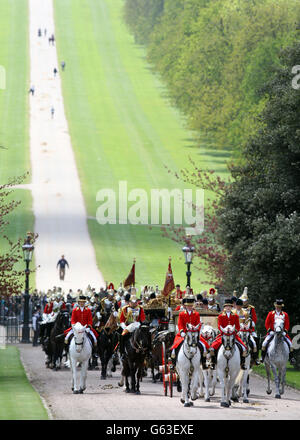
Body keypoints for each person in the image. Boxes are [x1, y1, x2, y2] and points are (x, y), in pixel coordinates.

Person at [170, 295, 209, 368]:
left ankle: (204, 363)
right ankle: (173, 363)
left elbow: (198, 324)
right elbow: (180, 324)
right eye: (188, 306)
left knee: (203, 346)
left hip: (194, 333)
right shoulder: (181, 314)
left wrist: (196, 329)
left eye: (191, 306)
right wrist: (182, 332)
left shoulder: (196, 314)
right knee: (175, 346)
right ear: (185, 306)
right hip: (184, 333)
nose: (189, 307)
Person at [209, 299, 248, 370]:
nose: (228, 308)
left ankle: (242, 363)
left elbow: (238, 327)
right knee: (212, 347)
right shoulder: (221, 316)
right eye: (226, 306)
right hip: (223, 335)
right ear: (224, 307)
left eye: (229, 306)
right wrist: (224, 330)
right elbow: (219, 326)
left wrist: (234, 331)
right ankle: (213, 362)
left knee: (244, 347)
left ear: (232, 307)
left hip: (233, 335)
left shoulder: (235, 316)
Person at [260, 299, 296, 365]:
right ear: (275, 306)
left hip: (282, 333)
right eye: (277, 306)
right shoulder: (270, 313)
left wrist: (285, 331)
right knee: (264, 343)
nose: (278, 308)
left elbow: (287, 324)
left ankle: (291, 358)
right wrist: (269, 330)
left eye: (279, 307)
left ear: (281, 307)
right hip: (272, 332)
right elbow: (266, 323)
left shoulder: (285, 314)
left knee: (290, 344)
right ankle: (262, 357)